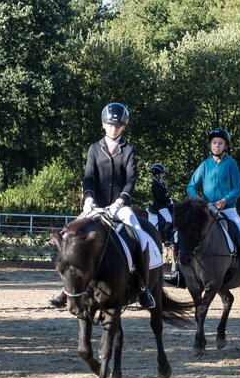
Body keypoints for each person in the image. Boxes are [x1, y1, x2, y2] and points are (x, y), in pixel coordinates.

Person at [47, 102, 159, 309]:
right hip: (95, 206)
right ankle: (65, 289)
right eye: (109, 125)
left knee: (141, 237)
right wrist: (88, 198)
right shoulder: (94, 149)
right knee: (68, 235)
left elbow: (131, 179)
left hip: (120, 206)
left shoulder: (128, 150)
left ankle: (143, 289)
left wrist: (120, 201)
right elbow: (88, 178)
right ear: (103, 125)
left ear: (123, 127)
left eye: (117, 126)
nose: (113, 128)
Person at [187, 127, 240, 291]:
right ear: (210, 145)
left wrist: (225, 200)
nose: (217, 146)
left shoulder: (231, 163)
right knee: (186, 232)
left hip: (228, 210)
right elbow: (191, 186)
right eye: (214, 143)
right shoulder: (205, 164)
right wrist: (200, 201)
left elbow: (238, 188)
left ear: (226, 146)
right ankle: (179, 272)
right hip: (207, 209)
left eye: (220, 143)